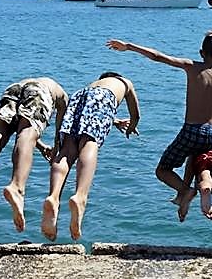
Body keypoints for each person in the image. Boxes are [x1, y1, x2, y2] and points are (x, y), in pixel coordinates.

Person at [107, 31, 212, 221]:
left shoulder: (191, 66)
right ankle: (199, 192)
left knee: (162, 170)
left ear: (201, 53)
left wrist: (129, 46)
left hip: (192, 131)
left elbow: (158, 56)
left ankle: (185, 191)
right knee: (196, 160)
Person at [0, 77, 68, 238]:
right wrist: (56, 151)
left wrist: (41, 146)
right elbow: (60, 131)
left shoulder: (39, 80)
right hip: (40, 91)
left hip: (13, 89)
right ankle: (17, 187)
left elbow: (20, 124)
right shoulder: (63, 96)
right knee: (27, 135)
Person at [41, 72, 140, 241]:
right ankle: (80, 196)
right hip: (103, 99)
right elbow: (135, 115)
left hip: (77, 97)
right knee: (89, 142)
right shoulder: (125, 83)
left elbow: (90, 108)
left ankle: (54, 197)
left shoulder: (92, 85)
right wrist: (132, 126)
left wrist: (114, 121)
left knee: (67, 151)